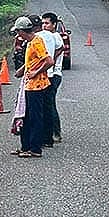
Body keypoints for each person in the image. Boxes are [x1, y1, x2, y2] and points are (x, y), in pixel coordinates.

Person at [10, 16, 53, 158]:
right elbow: (33, 61)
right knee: (25, 116)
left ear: (23, 31)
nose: (17, 35)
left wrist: (36, 72)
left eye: (18, 32)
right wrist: (22, 70)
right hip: (29, 84)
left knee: (35, 117)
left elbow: (49, 61)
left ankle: (35, 148)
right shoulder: (29, 43)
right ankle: (25, 146)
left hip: (37, 85)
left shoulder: (36, 42)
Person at [41, 12, 64, 143]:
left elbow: (60, 50)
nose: (44, 26)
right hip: (48, 73)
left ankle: (55, 132)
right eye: (43, 23)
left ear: (54, 24)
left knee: (49, 104)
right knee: (47, 103)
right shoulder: (46, 36)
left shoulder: (55, 36)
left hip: (54, 74)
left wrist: (50, 61)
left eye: (47, 23)